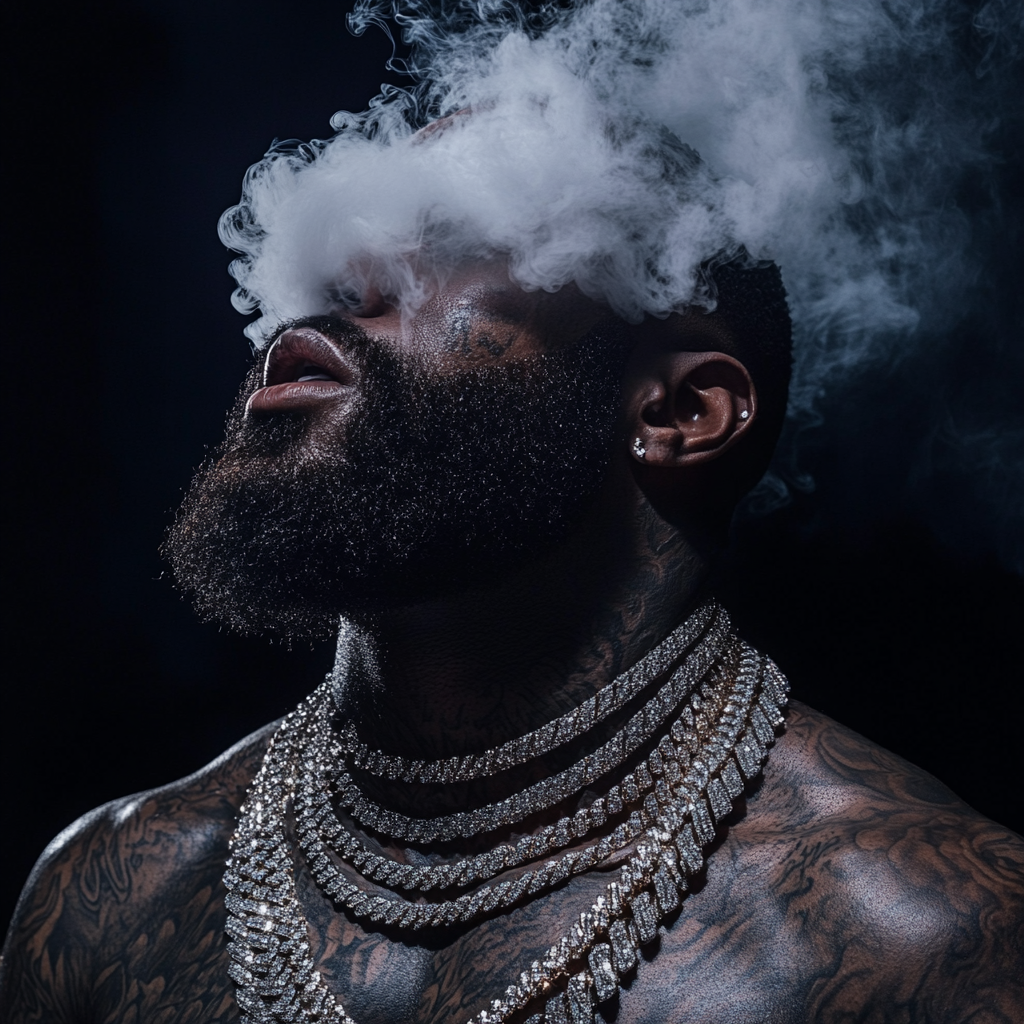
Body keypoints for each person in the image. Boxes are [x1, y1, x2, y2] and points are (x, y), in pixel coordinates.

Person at [1, 242, 1022, 1022]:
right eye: (358, 224)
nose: (346, 272)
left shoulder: (923, 932)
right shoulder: (109, 891)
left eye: (447, 238)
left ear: (680, 409)